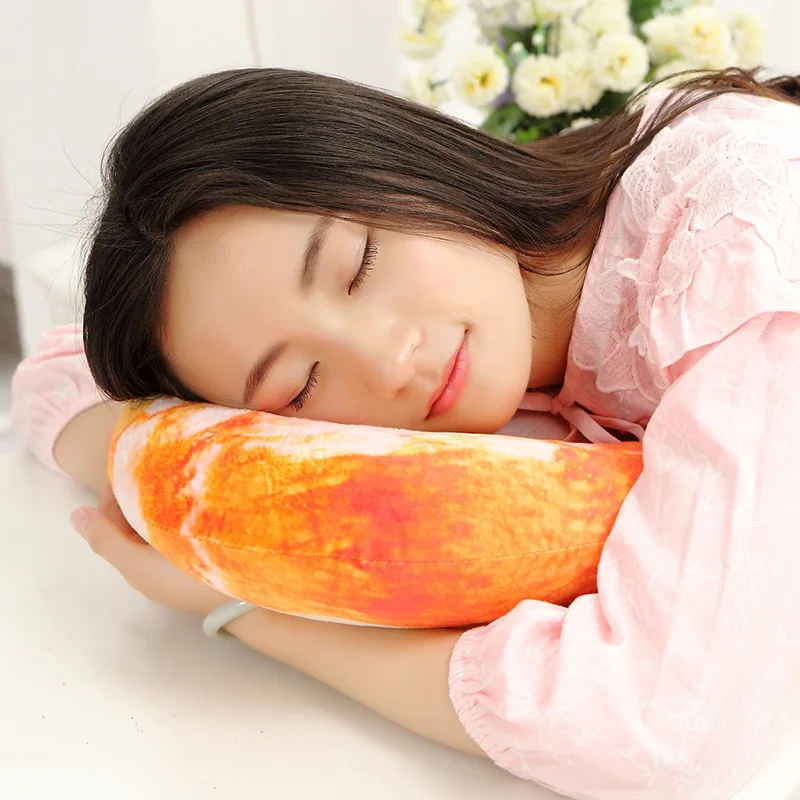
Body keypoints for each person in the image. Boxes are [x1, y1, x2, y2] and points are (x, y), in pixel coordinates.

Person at [11, 66, 800, 799]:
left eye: (357, 265)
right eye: (300, 386)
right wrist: (184, 482)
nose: (389, 360)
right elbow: (55, 376)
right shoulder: (521, 279)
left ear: (401, 161)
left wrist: (243, 604)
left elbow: (660, 728)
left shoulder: (740, 238)